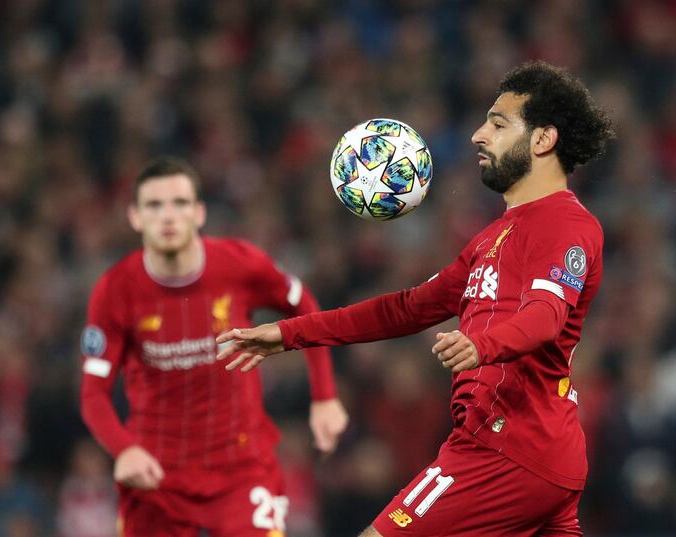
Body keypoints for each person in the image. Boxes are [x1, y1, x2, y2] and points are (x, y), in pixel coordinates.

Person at [217, 61, 615, 536]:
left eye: (498, 123)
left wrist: (482, 346)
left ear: (543, 139)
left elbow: (545, 316)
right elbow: (404, 309)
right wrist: (288, 333)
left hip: (505, 447)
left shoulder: (566, 225)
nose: (477, 135)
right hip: (541, 454)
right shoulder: (492, 239)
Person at [79, 157, 349, 537]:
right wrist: (124, 449)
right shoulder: (115, 290)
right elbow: (94, 395)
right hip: (156, 474)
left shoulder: (240, 265)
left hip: (241, 469)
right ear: (135, 217)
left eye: (180, 203)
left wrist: (325, 396)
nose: (168, 217)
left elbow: (303, 304)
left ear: (200, 212)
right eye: (154, 206)